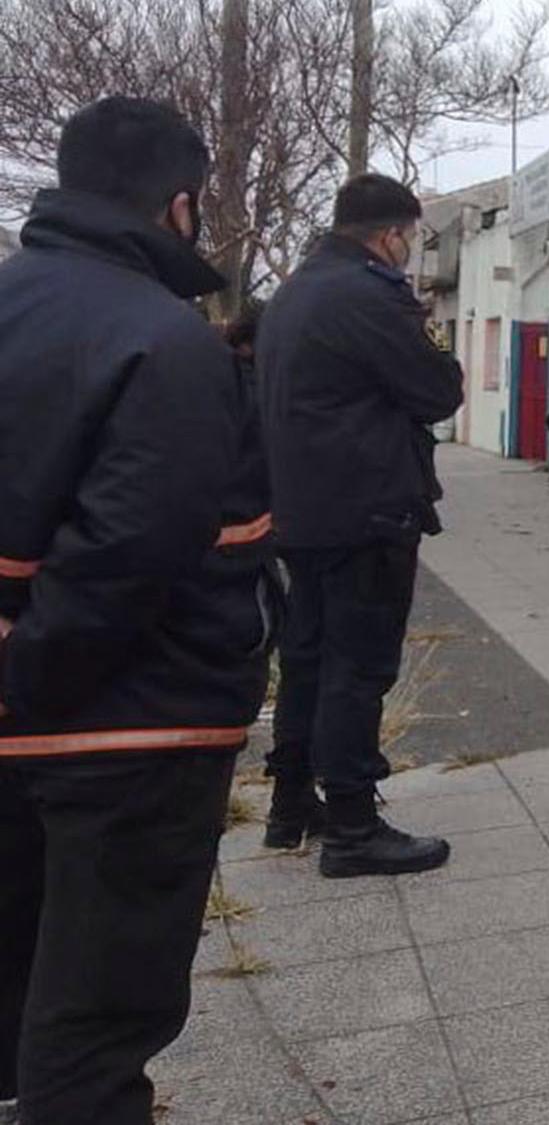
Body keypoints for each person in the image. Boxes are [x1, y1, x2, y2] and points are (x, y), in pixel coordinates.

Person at [0, 96, 275, 1125]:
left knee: (23, 974)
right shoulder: (165, 340)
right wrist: (31, 674)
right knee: (100, 1009)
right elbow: (132, 549)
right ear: (179, 205)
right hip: (128, 722)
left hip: (33, 720)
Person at [259, 172, 463, 877]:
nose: (410, 249)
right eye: (411, 236)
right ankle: (351, 822)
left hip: (306, 508)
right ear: (390, 234)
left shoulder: (295, 290)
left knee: (309, 658)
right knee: (359, 663)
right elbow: (438, 389)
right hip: (366, 505)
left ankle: (291, 802)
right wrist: (427, 329)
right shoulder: (371, 295)